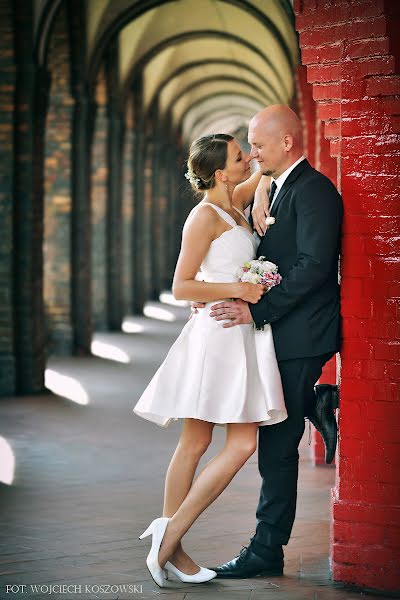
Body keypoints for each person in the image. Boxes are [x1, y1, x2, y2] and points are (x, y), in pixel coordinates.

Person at [133, 133, 288, 587]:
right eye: (241, 155)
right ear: (220, 172)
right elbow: (182, 286)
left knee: (229, 444)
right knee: (198, 444)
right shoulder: (203, 217)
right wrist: (238, 289)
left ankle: (168, 537)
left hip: (240, 336)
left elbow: (266, 173)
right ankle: (172, 545)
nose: (250, 157)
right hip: (216, 337)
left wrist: (261, 186)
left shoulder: (235, 201)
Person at [205, 105, 343, 578]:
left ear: (287, 142)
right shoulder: (280, 186)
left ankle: (267, 550)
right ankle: (318, 401)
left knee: (278, 446)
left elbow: (314, 267)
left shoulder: (315, 191)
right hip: (287, 333)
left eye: (258, 145)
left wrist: (257, 307)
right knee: (276, 439)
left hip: (302, 336)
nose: (254, 153)